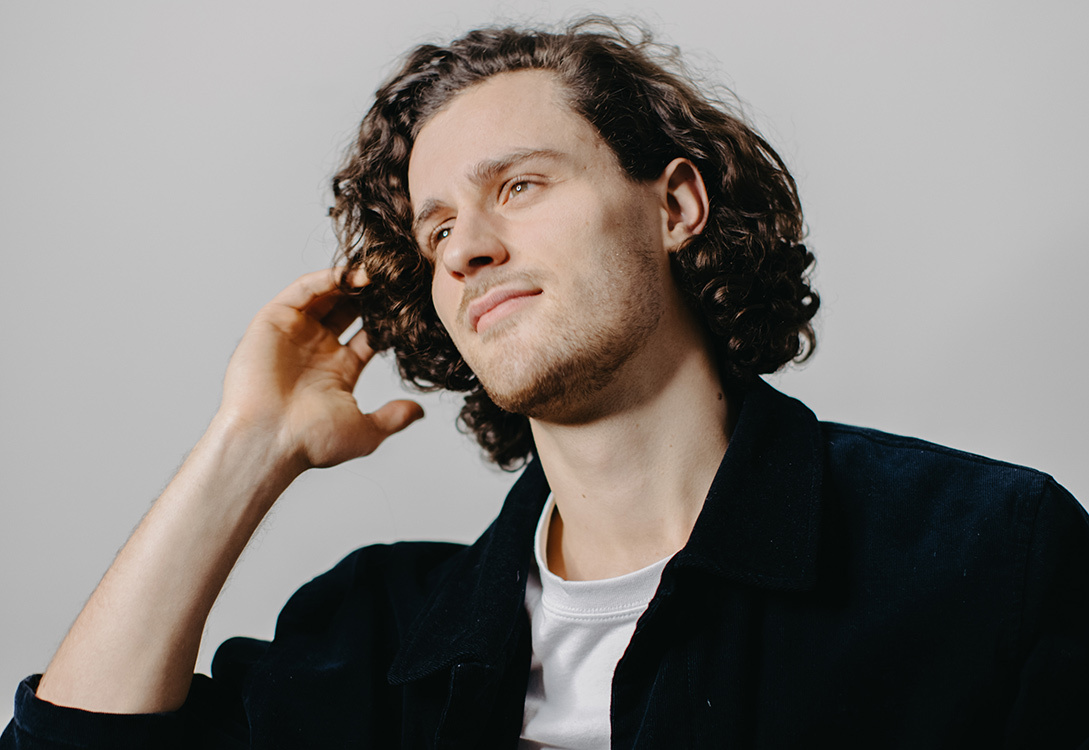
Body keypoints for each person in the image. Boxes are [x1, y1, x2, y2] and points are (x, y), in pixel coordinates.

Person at [3, 17, 1087, 749]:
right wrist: (249, 442)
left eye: (519, 186)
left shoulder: (989, 554)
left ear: (674, 207)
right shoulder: (374, 636)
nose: (466, 248)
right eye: (435, 230)